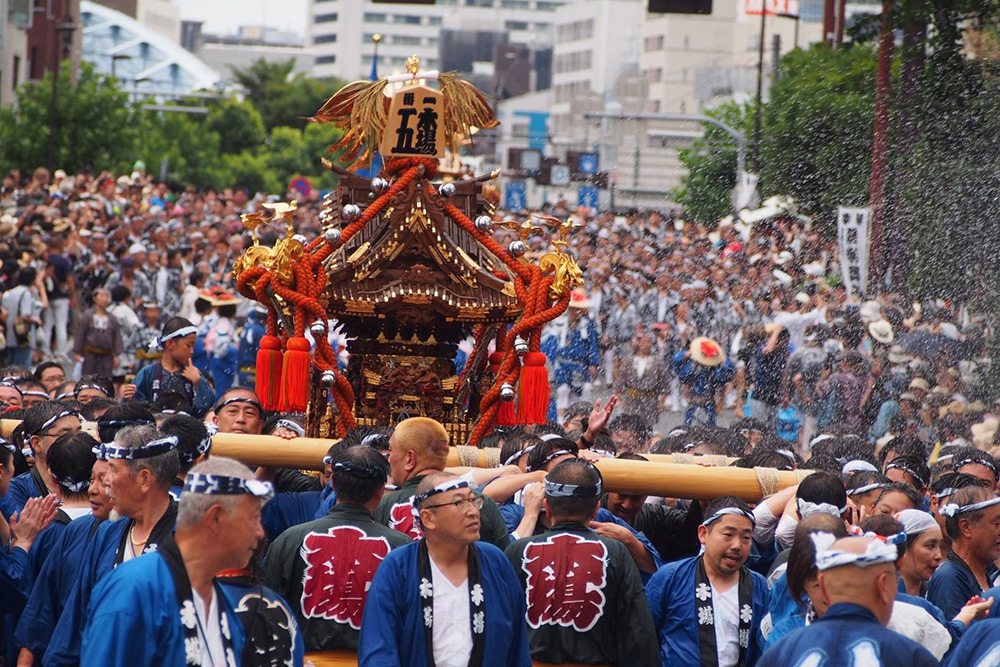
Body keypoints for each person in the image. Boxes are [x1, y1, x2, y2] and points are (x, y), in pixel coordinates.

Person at [80, 457, 304, 666]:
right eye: (254, 518)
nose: (259, 532)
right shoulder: (134, 588)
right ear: (215, 518)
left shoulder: (222, 602)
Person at [358, 472, 532, 666]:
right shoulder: (398, 568)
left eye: (474, 501)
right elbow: (379, 650)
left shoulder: (496, 562)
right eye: (460, 503)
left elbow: (518, 649)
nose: (473, 512)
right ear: (428, 518)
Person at [45, 425, 180, 667]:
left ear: (144, 479)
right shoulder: (106, 532)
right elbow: (77, 617)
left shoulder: (188, 538)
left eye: (113, 471)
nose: (105, 482)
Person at [504, 459, 659, 665]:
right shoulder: (615, 552)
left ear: (547, 507)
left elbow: (499, 622)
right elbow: (638, 632)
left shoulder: (518, 550)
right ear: (596, 509)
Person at [264, 444, 411, 651]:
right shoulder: (403, 548)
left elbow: (267, 615)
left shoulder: (289, 539)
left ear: (332, 481)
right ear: (380, 490)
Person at [757, 535, 938, 667]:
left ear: (823, 585)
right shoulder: (910, 656)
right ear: (883, 585)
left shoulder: (781, 651)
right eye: (895, 581)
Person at [646, 496, 769, 667]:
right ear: (703, 534)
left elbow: (762, 646)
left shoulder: (759, 586)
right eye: (728, 534)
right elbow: (644, 637)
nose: (737, 545)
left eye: (746, 538)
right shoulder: (671, 577)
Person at [374, 417, 510, 549]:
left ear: (410, 459)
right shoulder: (482, 502)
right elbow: (505, 560)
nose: (389, 459)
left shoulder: (383, 506)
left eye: (391, 451)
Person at [601, 453, 703, 562]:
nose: (627, 505)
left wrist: (701, 502)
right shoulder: (589, 509)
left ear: (646, 496)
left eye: (636, 498)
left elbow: (690, 530)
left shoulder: (655, 516)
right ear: (609, 489)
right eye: (622, 495)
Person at [927, 485, 1000, 619]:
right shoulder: (948, 579)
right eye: (996, 524)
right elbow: (954, 637)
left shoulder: (983, 572)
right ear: (966, 527)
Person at [127, 316, 215, 417]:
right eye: (188, 345)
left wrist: (198, 383)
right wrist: (130, 397)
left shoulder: (194, 374)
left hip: (186, 430)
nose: (192, 351)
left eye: (193, 346)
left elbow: (205, 408)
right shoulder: (148, 373)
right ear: (170, 343)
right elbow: (136, 409)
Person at [552, 289, 600, 417]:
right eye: (572, 308)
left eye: (577, 309)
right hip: (562, 364)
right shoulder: (560, 323)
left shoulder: (587, 325)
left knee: (580, 393)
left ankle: (577, 420)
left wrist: (593, 363)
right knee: (562, 390)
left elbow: (592, 345)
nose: (575, 312)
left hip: (580, 365)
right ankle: (561, 421)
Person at [672, 336, 735, 426]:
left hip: (709, 404)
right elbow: (678, 367)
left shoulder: (714, 369)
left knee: (708, 432)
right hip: (693, 404)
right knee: (690, 431)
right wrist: (687, 354)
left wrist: (723, 361)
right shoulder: (693, 366)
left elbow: (726, 377)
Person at [72, 286, 124, 378]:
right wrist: (78, 352)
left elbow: (116, 336)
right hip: (90, 354)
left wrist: (116, 355)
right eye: (102, 296)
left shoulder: (112, 318)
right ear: (94, 298)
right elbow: (80, 333)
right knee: (88, 377)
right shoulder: (87, 315)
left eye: (106, 296)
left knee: (105, 378)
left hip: (107, 355)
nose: (104, 299)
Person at [617, 332, 669, 422]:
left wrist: (662, 401)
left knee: (647, 427)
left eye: (648, 342)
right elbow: (621, 380)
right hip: (631, 400)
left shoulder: (658, 362)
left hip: (650, 400)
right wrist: (619, 396)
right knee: (631, 425)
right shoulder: (628, 361)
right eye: (643, 342)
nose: (645, 345)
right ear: (639, 343)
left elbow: (664, 382)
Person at [3, 267, 42, 367]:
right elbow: (25, 315)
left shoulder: (10, 292)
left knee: (11, 365)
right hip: (23, 334)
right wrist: (36, 320)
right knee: (22, 366)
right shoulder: (26, 294)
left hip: (10, 331)